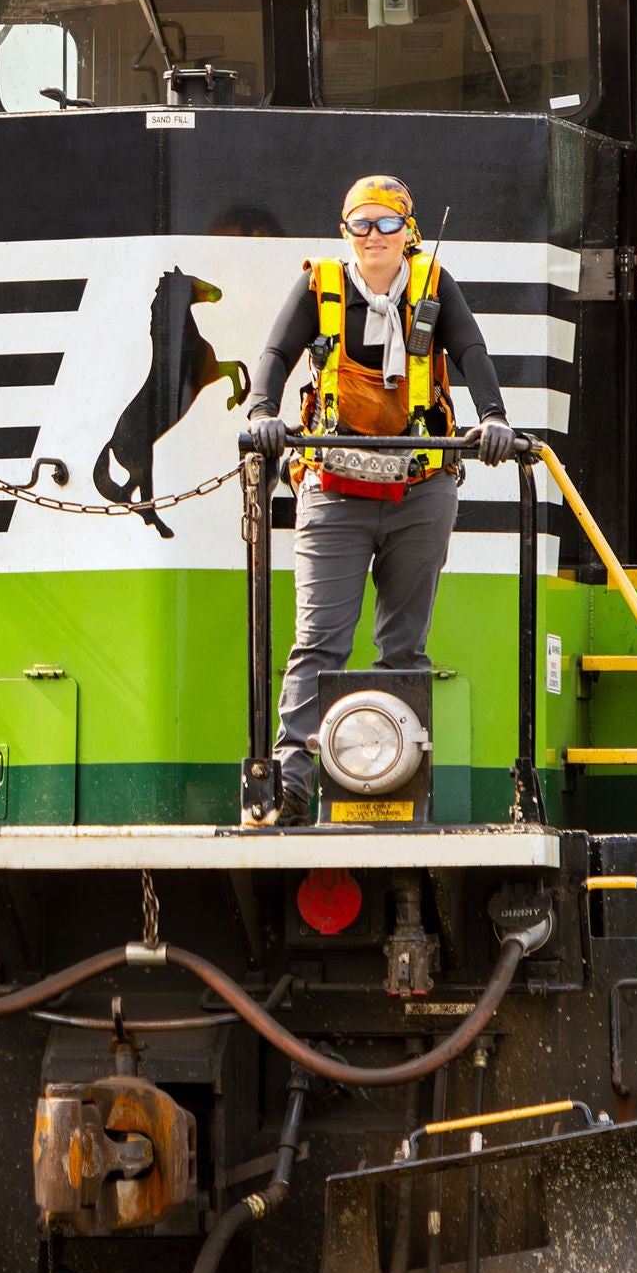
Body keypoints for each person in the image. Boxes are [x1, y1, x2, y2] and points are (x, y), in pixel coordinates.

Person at [245, 176, 516, 824]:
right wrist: (261, 411)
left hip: (420, 491)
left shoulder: (432, 285)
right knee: (319, 643)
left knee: (402, 648)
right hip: (334, 493)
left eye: (386, 224)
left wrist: (495, 417)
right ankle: (288, 785)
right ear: (344, 232)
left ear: (408, 231)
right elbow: (276, 352)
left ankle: (395, 792)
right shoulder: (320, 286)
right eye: (360, 224)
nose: (373, 236)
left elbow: (471, 351)